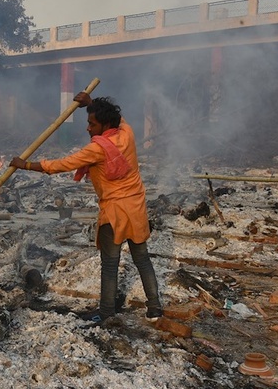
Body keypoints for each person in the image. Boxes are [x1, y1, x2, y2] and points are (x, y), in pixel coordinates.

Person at [10, 92, 163, 323]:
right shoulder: (127, 133)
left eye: (92, 124)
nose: (88, 129)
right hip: (136, 205)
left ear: (105, 124)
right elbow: (119, 119)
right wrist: (91, 104)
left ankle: (106, 313)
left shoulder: (98, 149)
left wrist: (27, 165)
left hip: (114, 210)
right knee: (142, 258)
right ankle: (155, 308)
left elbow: (63, 164)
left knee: (110, 265)